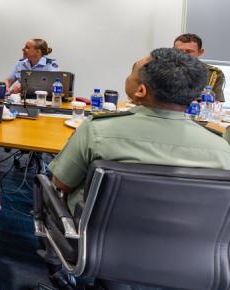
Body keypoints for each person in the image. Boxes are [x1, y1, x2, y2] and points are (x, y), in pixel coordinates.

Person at [49, 48, 230, 215]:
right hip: (191, 247)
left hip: (96, 242)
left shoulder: (97, 131)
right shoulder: (221, 149)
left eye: (132, 72)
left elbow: (62, 183)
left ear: (141, 90)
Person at [173, 33, 225, 102]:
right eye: (179, 51)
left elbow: (217, 104)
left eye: (189, 51)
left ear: (200, 52)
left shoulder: (213, 74)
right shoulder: (161, 70)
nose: (183, 55)